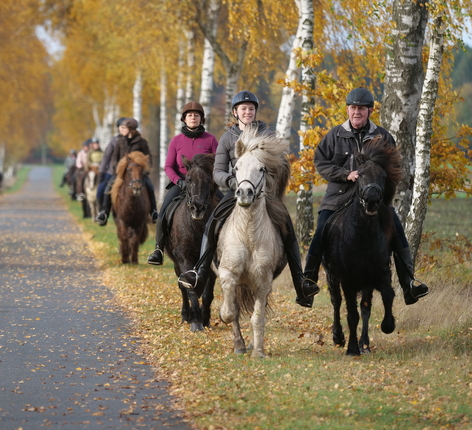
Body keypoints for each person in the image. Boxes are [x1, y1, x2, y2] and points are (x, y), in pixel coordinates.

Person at [177, 91, 320, 306]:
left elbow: (282, 166)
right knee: (212, 223)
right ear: (235, 112)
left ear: (255, 112)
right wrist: (233, 182)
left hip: (263, 194)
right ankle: (199, 274)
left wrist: (267, 182)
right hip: (234, 193)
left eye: (251, 108)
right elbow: (217, 172)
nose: (247, 112)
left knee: (287, 226)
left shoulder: (268, 136)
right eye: (243, 109)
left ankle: (301, 283)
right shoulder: (227, 138)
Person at [301, 87, 429, 306]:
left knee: (397, 232)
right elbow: (321, 163)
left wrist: (378, 185)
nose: (356, 112)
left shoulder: (383, 136)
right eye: (352, 108)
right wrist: (345, 174)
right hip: (339, 197)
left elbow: (394, 167)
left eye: (361, 108)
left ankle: (409, 285)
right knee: (321, 231)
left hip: (373, 199)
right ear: (348, 110)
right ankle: (307, 284)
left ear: (370, 111)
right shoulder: (334, 135)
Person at [147, 102, 219, 265]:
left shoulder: (210, 139)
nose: (193, 118)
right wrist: (179, 181)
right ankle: (158, 249)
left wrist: (212, 181)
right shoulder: (176, 141)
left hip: (206, 186)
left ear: (202, 119)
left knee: (225, 209)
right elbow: (168, 166)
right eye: (190, 115)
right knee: (164, 211)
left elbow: (219, 163)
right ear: (184, 119)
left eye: (196, 115)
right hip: (182, 184)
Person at [95, 118, 158, 225]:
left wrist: (145, 171)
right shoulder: (120, 141)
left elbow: (148, 158)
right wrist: (117, 169)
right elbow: (114, 158)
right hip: (121, 173)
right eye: (122, 127)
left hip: (138, 173)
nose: (121, 130)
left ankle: (154, 212)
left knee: (150, 187)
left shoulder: (142, 142)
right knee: (108, 187)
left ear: (131, 129)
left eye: (124, 128)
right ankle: (104, 213)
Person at [96, 117, 127, 208]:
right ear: (118, 128)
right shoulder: (114, 140)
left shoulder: (134, 140)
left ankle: (153, 211)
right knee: (101, 190)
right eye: (122, 127)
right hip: (113, 171)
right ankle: (102, 211)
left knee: (148, 187)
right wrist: (102, 172)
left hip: (130, 171)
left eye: (126, 127)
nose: (123, 129)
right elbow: (106, 156)